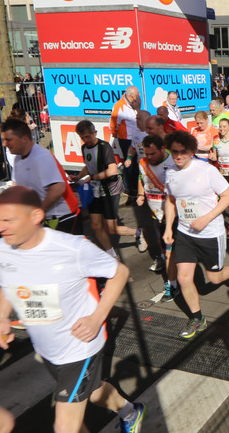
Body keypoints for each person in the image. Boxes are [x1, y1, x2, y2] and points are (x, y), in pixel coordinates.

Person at [0, 185, 146, 433]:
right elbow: (6, 284)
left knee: (65, 425)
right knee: (93, 392)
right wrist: (1, 317)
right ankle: (131, 412)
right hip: (48, 349)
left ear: (36, 216)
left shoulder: (72, 247)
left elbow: (119, 273)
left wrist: (97, 316)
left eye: (8, 220)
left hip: (80, 346)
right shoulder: (2, 248)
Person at [161, 131, 229, 338]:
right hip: (184, 232)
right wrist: (168, 229)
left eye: (183, 151)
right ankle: (198, 319)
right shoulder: (171, 171)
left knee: (214, 277)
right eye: (174, 151)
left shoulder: (206, 170)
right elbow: (171, 200)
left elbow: (228, 196)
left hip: (210, 233)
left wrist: (206, 218)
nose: (178, 156)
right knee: (184, 278)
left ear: (192, 151)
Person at [0, 119, 82, 234]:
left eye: (9, 140)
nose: (4, 144)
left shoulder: (42, 157)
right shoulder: (18, 159)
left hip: (64, 218)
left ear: (24, 138)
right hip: (43, 219)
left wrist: (38, 211)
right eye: (4, 140)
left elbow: (58, 188)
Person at [72, 120, 140, 255]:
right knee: (96, 226)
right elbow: (89, 166)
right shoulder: (84, 148)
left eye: (88, 136)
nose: (86, 140)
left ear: (95, 133)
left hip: (110, 190)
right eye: (83, 137)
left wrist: (93, 177)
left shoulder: (104, 147)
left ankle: (138, 233)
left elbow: (113, 170)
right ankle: (112, 255)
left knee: (111, 228)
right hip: (96, 190)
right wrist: (78, 176)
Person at [137, 134, 177, 286]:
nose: (149, 157)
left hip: (173, 211)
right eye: (146, 154)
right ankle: (163, 258)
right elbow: (141, 178)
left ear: (162, 149)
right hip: (155, 211)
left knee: (172, 247)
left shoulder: (173, 161)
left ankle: (174, 281)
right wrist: (141, 194)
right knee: (160, 239)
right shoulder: (143, 163)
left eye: (153, 153)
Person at [108, 86, 142, 198]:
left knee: (137, 163)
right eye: (138, 93)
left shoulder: (135, 103)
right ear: (132, 95)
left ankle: (136, 187)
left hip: (137, 138)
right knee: (129, 164)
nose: (139, 95)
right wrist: (116, 135)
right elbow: (113, 123)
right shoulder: (119, 105)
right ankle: (128, 189)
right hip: (126, 139)